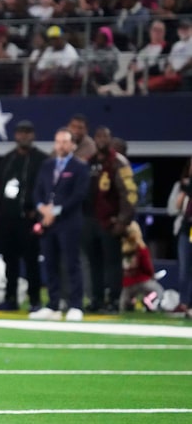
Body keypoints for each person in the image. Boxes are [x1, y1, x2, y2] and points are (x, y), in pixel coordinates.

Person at [31, 128, 90, 321]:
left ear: (72, 145)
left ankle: (75, 305)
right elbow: (38, 191)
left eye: (65, 142)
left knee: (71, 263)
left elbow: (79, 195)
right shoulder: (47, 166)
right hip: (48, 223)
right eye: (58, 142)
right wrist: (42, 209)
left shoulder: (79, 167)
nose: (61, 145)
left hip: (69, 222)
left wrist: (55, 211)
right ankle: (53, 305)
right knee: (50, 263)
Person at [0, 120, 47, 311]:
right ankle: (10, 299)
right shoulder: (8, 159)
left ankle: (34, 300)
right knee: (9, 261)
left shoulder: (41, 160)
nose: (24, 136)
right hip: (8, 218)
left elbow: (45, 188)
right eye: (20, 132)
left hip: (29, 219)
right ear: (15, 135)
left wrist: (37, 212)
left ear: (33, 135)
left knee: (31, 260)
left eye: (27, 132)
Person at [81, 126, 137, 313]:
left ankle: (113, 301)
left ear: (110, 139)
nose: (101, 140)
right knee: (94, 262)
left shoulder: (118, 162)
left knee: (112, 263)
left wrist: (123, 220)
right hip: (90, 220)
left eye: (105, 136)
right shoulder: (89, 163)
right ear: (94, 139)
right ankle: (96, 299)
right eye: (98, 136)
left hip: (110, 221)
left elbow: (129, 193)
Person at [119, 221, 164, 313]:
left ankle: (130, 303)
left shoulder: (121, 247)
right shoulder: (142, 248)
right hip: (143, 280)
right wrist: (151, 276)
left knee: (123, 303)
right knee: (159, 291)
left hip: (127, 283)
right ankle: (150, 303)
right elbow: (147, 266)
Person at [167, 159, 192, 312]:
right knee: (184, 267)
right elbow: (173, 208)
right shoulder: (182, 186)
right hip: (186, 228)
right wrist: (184, 192)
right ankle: (184, 302)